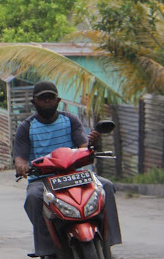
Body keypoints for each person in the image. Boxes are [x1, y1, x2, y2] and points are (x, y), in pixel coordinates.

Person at [14, 81, 122, 258]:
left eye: (51, 97)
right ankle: (46, 248)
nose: (47, 101)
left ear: (58, 100)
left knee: (107, 186)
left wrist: (91, 144)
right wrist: (21, 166)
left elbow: (83, 146)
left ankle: (109, 239)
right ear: (34, 102)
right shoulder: (26, 127)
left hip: (75, 175)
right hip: (43, 179)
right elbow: (20, 157)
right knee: (33, 197)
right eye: (43, 98)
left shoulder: (70, 120)